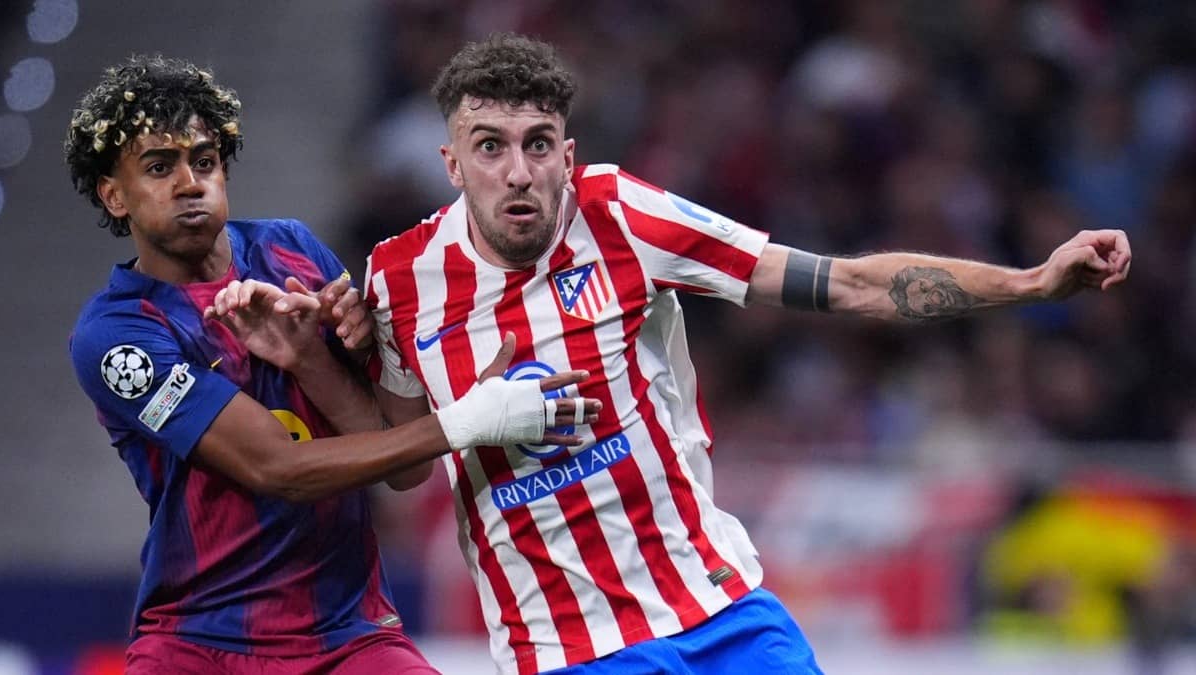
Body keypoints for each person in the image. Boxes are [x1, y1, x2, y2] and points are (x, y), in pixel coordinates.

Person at [353, 33, 1135, 675]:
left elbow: (847, 284)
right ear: (452, 164)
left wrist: (1030, 282)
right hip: (566, 647)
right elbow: (403, 466)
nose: (517, 171)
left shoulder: (619, 214)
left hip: (719, 610)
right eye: (490, 147)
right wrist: (440, 401)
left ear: (567, 152)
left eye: (538, 144)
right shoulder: (396, 280)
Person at [64, 55, 599, 674]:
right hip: (198, 643)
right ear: (114, 194)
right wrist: (472, 419)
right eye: (160, 168)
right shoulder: (116, 336)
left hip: (347, 634)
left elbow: (399, 468)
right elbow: (276, 467)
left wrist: (319, 354)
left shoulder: (288, 248)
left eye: (204, 162)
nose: (190, 183)